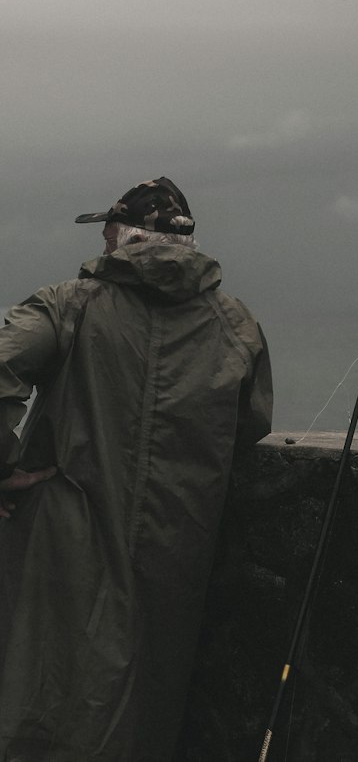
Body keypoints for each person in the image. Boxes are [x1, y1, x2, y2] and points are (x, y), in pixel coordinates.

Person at [0, 176, 272, 762]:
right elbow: (250, 424)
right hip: (177, 546)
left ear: (121, 237)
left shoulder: (70, 303)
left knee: (42, 704)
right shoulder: (236, 325)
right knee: (144, 717)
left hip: (63, 542)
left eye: (106, 232)